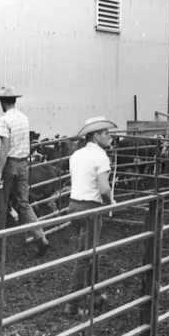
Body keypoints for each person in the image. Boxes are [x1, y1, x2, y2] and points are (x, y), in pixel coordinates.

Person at [64, 116, 117, 316]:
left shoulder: (76, 155)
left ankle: (96, 295)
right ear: (96, 136)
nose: (109, 137)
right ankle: (73, 304)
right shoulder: (101, 157)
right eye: (106, 133)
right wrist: (111, 202)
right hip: (90, 209)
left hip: (74, 206)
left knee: (89, 251)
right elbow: (104, 188)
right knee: (85, 257)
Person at [0, 86, 50, 257]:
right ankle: (41, 237)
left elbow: (4, 147)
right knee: (24, 204)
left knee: (1, 205)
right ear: (14, 100)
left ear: (2, 102)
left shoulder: (4, 120)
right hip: (23, 164)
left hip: (9, 165)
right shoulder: (24, 118)